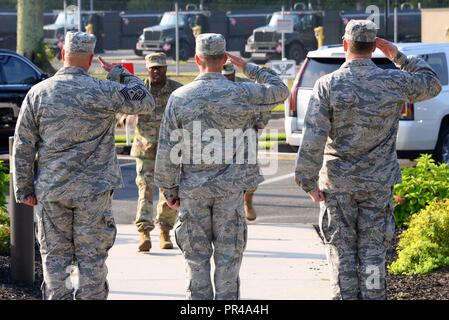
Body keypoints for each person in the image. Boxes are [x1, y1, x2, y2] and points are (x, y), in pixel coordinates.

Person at [295, 20, 442, 300]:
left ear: (345, 44)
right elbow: (432, 83)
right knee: (374, 252)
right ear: (375, 46)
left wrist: (307, 181)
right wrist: (396, 55)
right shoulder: (394, 81)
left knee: (341, 253)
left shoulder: (328, 85)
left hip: (337, 185)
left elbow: (313, 137)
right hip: (377, 184)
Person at [13, 31, 155, 300]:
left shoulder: (38, 93)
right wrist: (120, 73)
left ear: (63, 55)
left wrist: (24, 189)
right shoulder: (105, 91)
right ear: (90, 59)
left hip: (52, 190)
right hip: (94, 192)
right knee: (92, 260)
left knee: (55, 260)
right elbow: (146, 102)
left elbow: (23, 146)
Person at [154, 33, 289, 300]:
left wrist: (169, 190)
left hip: (193, 191)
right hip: (230, 191)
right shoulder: (242, 93)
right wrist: (246, 66)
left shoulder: (180, 97)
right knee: (229, 262)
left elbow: (168, 149)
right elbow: (280, 89)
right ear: (224, 59)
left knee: (196, 261)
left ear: (196, 59)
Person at [124, 52, 183, 252]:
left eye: (160, 68)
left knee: (169, 191)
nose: (156, 71)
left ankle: (165, 231)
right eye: (152, 68)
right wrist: (126, 118)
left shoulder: (177, 91)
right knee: (145, 190)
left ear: (166, 68)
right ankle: (144, 232)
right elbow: (120, 111)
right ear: (147, 69)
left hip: (169, 150)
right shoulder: (138, 91)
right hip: (145, 150)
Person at [222, 60, 271, 221]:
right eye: (223, 76)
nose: (226, 79)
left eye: (229, 76)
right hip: (220, 138)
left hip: (246, 137)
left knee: (250, 175)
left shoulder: (246, 88)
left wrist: (260, 123)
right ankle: (229, 209)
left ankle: (247, 202)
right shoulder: (215, 88)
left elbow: (264, 104)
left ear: (234, 73)